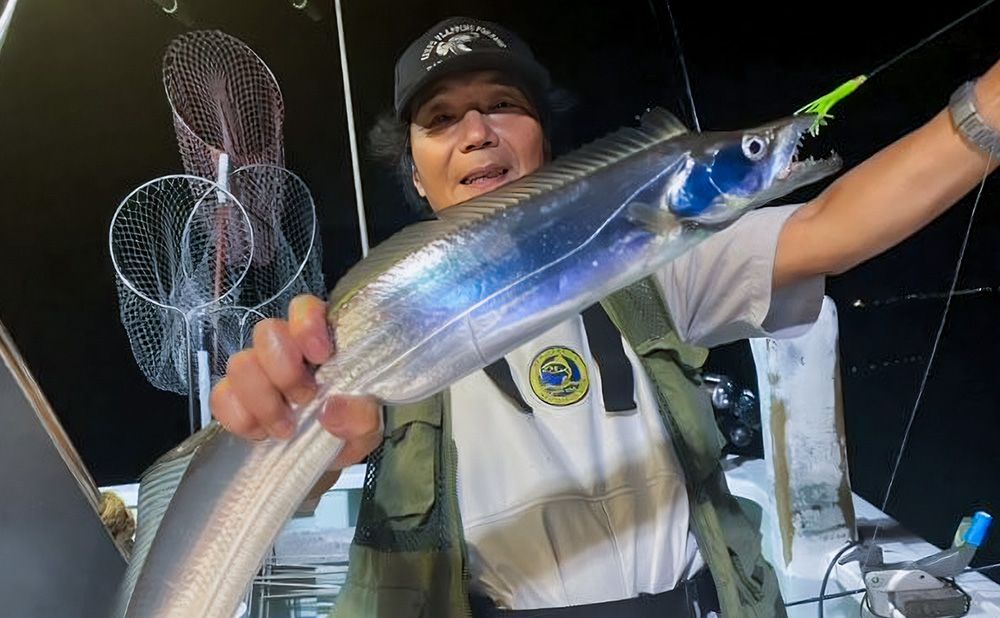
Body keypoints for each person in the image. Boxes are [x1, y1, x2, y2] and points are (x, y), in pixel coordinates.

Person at [209, 15, 1000, 618]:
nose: (477, 132)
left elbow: (838, 224)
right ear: (412, 169)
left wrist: (986, 111)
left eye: (502, 105)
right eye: (441, 119)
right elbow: (311, 474)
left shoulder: (649, 260)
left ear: (544, 137)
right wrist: (281, 433)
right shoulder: (381, 317)